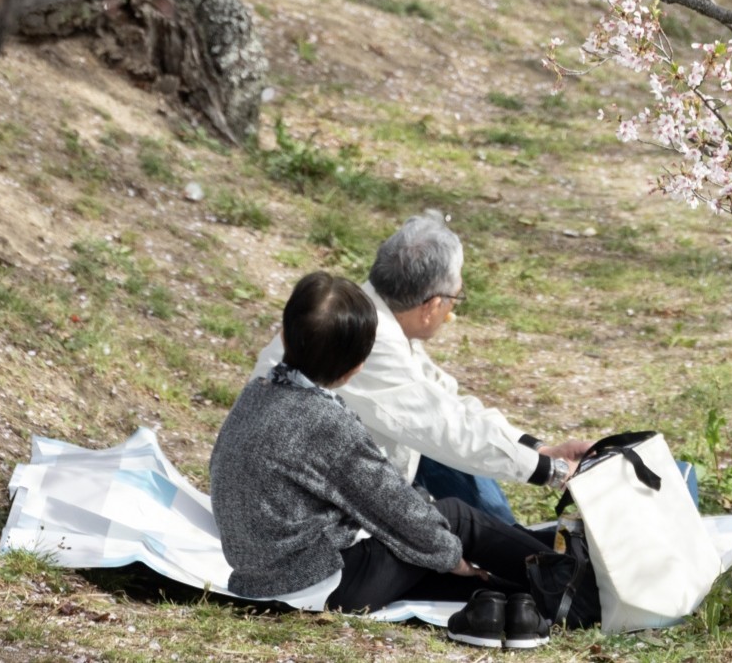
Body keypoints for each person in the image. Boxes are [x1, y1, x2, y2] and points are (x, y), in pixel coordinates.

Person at [211, 271, 555, 645]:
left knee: (453, 571)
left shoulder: (257, 393)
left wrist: (441, 559)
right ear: (356, 367)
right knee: (454, 518)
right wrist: (450, 555)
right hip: (322, 581)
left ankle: (522, 602)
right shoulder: (323, 422)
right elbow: (393, 505)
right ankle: (573, 585)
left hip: (259, 577)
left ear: (283, 333)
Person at [250, 212, 591, 525]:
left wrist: (539, 451)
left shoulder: (374, 309)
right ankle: (515, 551)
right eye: (454, 299)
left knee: (460, 450)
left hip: (320, 474)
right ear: (431, 306)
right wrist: (551, 471)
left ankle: (511, 543)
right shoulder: (368, 338)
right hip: (292, 508)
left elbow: (445, 403)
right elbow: (443, 428)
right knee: (454, 455)